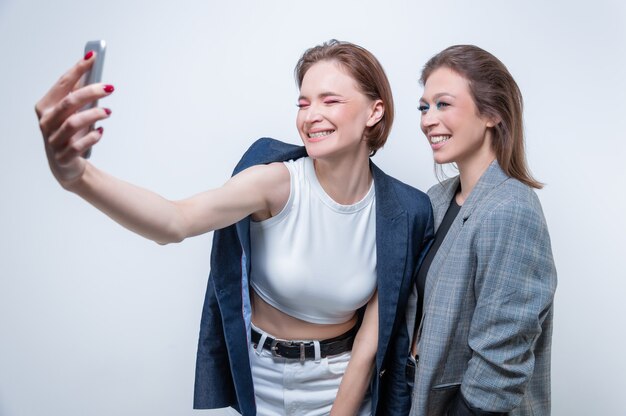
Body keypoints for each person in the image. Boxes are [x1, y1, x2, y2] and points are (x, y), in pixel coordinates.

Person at [35, 40, 433, 415]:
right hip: (259, 380)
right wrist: (78, 177)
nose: (311, 115)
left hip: (341, 384)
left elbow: (370, 343)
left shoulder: (404, 211)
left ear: (374, 112)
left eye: (330, 100)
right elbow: (175, 220)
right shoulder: (275, 182)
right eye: (303, 102)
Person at [403, 45, 557, 415]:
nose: (427, 120)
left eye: (443, 104)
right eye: (424, 107)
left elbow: (502, 359)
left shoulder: (512, 208)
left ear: (491, 114)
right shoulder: (437, 199)